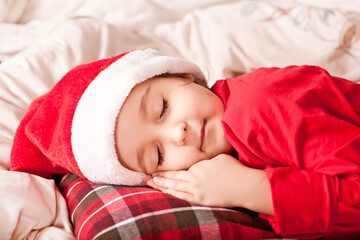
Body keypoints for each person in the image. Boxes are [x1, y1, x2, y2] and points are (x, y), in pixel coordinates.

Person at [10, 49, 360, 238]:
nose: (178, 133)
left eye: (162, 108)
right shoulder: (232, 148)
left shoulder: (265, 106)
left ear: (183, 75)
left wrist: (253, 189)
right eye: (158, 154)